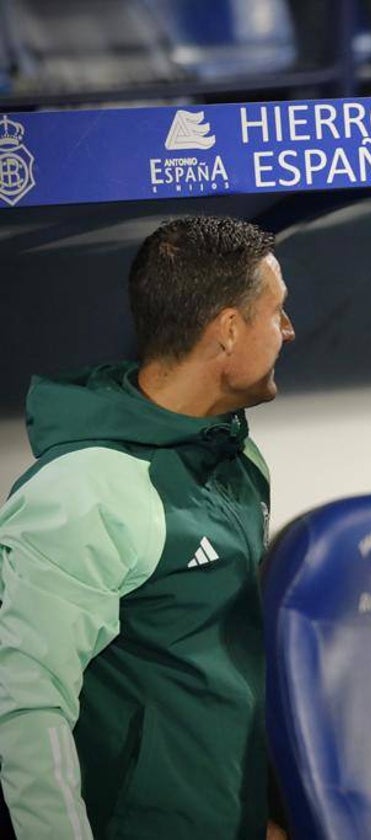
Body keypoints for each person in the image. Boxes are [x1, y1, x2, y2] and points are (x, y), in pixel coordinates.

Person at [0, 216, 295, 839]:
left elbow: (215, 667)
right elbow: (21, 706)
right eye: (278, 313)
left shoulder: (236, 455)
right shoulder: (82, 492)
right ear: (229, 329)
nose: (289, 331)